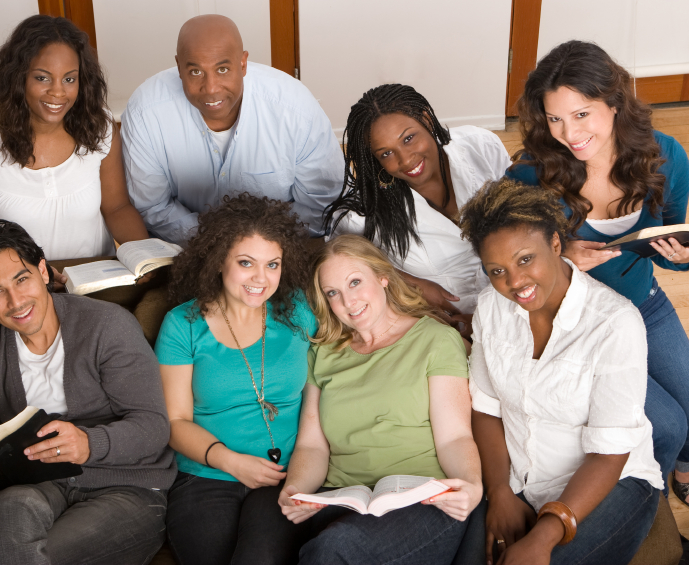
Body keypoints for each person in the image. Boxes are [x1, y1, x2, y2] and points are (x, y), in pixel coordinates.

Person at [505, 40, 689, 509]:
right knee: (666, 426)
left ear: (615, 103)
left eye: (582, 114)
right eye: (555, 118)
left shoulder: (665, 157)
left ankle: (684, 464)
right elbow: (507, 261)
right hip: (580, 321)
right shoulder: (530, 173)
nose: (569, 133)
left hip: (642, 302)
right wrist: (561, 264)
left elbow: (666, 243)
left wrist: (680, 258)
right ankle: (652, 495)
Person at [0, 220, 176, 565]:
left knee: (41, 555)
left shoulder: (107, 326)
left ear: (43, 272)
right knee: (2, 511)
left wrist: (88, 443)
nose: (15, 302)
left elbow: (153, 428)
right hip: (38, 487)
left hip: (127, 487)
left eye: (22, 279)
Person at [459, 178, 664, 565]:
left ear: (555, 243)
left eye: (524, 259)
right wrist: (500, 491)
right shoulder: (490, 307)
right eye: (496, 270)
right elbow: (486, 408)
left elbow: (609, 454)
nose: (515, 282)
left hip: (610, 485)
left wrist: (545, 535)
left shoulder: (615, 323)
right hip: (518, 480)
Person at [278, 234, 485, 565]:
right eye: (333, 293)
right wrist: (296, 491)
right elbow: (312, 446)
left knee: (335, 548)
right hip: (343, 501)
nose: (348, 301)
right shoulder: (322, 353)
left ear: (383, 277)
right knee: (324, 541)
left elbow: (455, 437)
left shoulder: (435, 339)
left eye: (355, 282)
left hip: (422, 501)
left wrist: (471, 486)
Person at [155, 193, 317, 565]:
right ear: (218, 261)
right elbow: (175, 422)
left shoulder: (298, 310)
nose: (261, 278)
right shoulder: (183, 324)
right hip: (206, 475)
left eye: (272, 264)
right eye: (246, 263)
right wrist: (230, 461)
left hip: (285, 474)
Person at [121, 14, 344, 243]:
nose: (211, 89)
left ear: (243, 63)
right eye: (196, 72)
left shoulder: (296, 109)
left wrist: (256, 247)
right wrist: (218, 245)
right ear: (179, 67)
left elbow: (321, 202)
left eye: (223, 69)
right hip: (185, 251)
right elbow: (153, 207)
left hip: (282, 249)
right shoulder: (145, 113)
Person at [0, 15, 149, 263]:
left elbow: (117, 208)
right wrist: (32, 274)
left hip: (96, 278)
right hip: (23, 283)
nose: (57, 92)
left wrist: (146, 256)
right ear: (17, 77)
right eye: (42, 78)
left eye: (69, 79)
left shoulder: (99, 125)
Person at [325, 84, 511, 341]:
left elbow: (523, 212)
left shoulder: (480, 147)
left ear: (425, 119)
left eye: (408, 138)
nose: (405, 159)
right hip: (447, 328)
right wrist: (409, 283)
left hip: (516, 298)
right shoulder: (362, 216)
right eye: (386, 153)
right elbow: (336, 261)